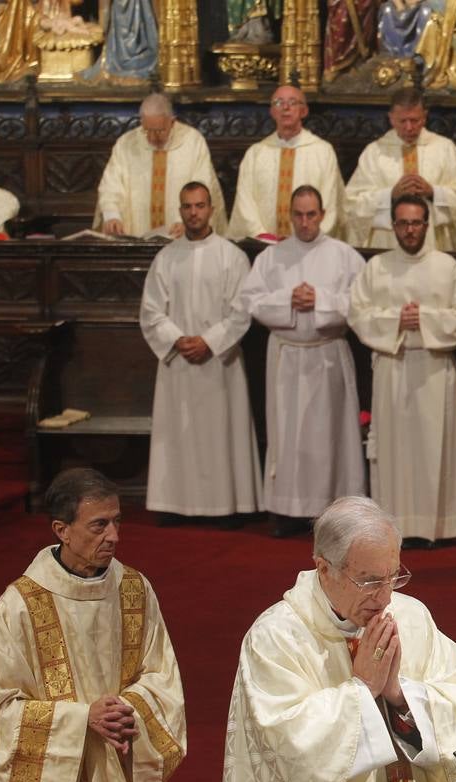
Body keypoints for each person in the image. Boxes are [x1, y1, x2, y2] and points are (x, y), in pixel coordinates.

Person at [214, 496, 456, 782]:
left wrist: (398, 695)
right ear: (324, 568)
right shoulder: (277, 638)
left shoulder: (411, 617)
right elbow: (288, 752)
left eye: (394, 577)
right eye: (370, 581)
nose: (386, 596)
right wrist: (362, 692)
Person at [0, 468, 186, 782]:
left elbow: (163, 678)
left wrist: (130, 709)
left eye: (117, 521)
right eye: (99, 525)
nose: (114, 536)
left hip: (117, 773)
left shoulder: (135, 591)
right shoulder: (21, 605)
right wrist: (81, 719)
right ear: (61, 530)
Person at [347, 195, 456, 543]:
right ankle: (395, 527)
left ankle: (442, 526)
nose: (409, 229)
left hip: (435, 368)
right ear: (393, 226)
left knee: (439, 447)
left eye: (416, 222)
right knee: (395, 452)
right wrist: (395, 321)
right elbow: (357, 314)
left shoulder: (447, 266)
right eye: (403, 223)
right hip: (393, 366)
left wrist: (422, 318)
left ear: (426, 224)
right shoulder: (377, 267)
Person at [240, 186, 367, 537]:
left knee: (331, 436)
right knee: (287, 436)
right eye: (299, 214)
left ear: (323, 214)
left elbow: (362, 302)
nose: (305, 222)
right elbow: (251, 301)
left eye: (312, 214)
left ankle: (335, 511)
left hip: (327, 354)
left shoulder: (345, 255)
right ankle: (287, 509)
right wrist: (289, 299)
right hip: (287, 357)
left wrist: (321, 299)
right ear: (290, 215)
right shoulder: (272, 256)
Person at [140, 182, 262, 521]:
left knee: (220, 432)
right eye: (187, 206)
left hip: (218, 362)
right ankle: (175, 506)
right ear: (180, 211)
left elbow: (242, 310)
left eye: (200, 205)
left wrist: (209, 340)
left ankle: (226, 508)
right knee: (179, 433)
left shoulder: (232, 256)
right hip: (179, 362)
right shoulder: (166, 257)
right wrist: (178, 339)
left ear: (211, 209)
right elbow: (151, 312)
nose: (194, 212)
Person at [344, 87, 456, 251]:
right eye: (402, 121)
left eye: (415, 120)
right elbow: (352, 203)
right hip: (388, 242)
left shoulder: (444, 148)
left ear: (424, 117)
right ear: (391, 119)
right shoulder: (374, 152)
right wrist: (390, 195)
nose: (409, 127)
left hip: (434, 241)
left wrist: (434, 192)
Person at [95, 93, 227, 238]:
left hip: (181, 236)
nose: (153, 138)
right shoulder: (126, 144)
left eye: (159, 131)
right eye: (147, 131)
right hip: (136, 240)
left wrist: (186, 220)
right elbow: (110, 186)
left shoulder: (193, 142)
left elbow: (203, 185)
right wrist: (112, 216)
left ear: (172, 121)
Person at [229, 86, 345, 240]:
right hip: (264, 246)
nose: (285, 108)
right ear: (272, 111)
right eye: (278, 102)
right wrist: (262, 237)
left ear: (304, 111)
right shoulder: (256, 153)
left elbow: (330, 202)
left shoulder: (322, 152)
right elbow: (245, 202)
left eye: (292, 102)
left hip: (311, 245)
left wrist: (312, 237)